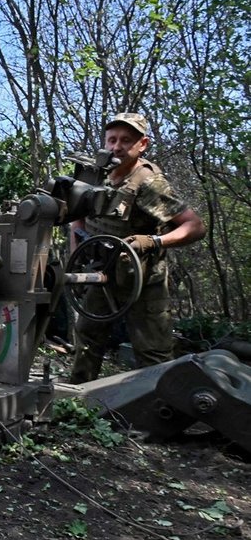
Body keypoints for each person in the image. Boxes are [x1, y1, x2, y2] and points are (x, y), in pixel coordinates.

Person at [69, 113, 205, 384]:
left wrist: (153, 241)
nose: (117, 146)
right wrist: (78, 252)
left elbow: (194, 226)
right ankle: (78, 404)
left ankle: (160, 410)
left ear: (142, 144)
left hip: (141, 279)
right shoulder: (98, 174)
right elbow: (77, 216)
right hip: (101, 275)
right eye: (112, 140)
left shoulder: (147, 182)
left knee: (152, 350)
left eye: (126, 140)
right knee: (86, 340)